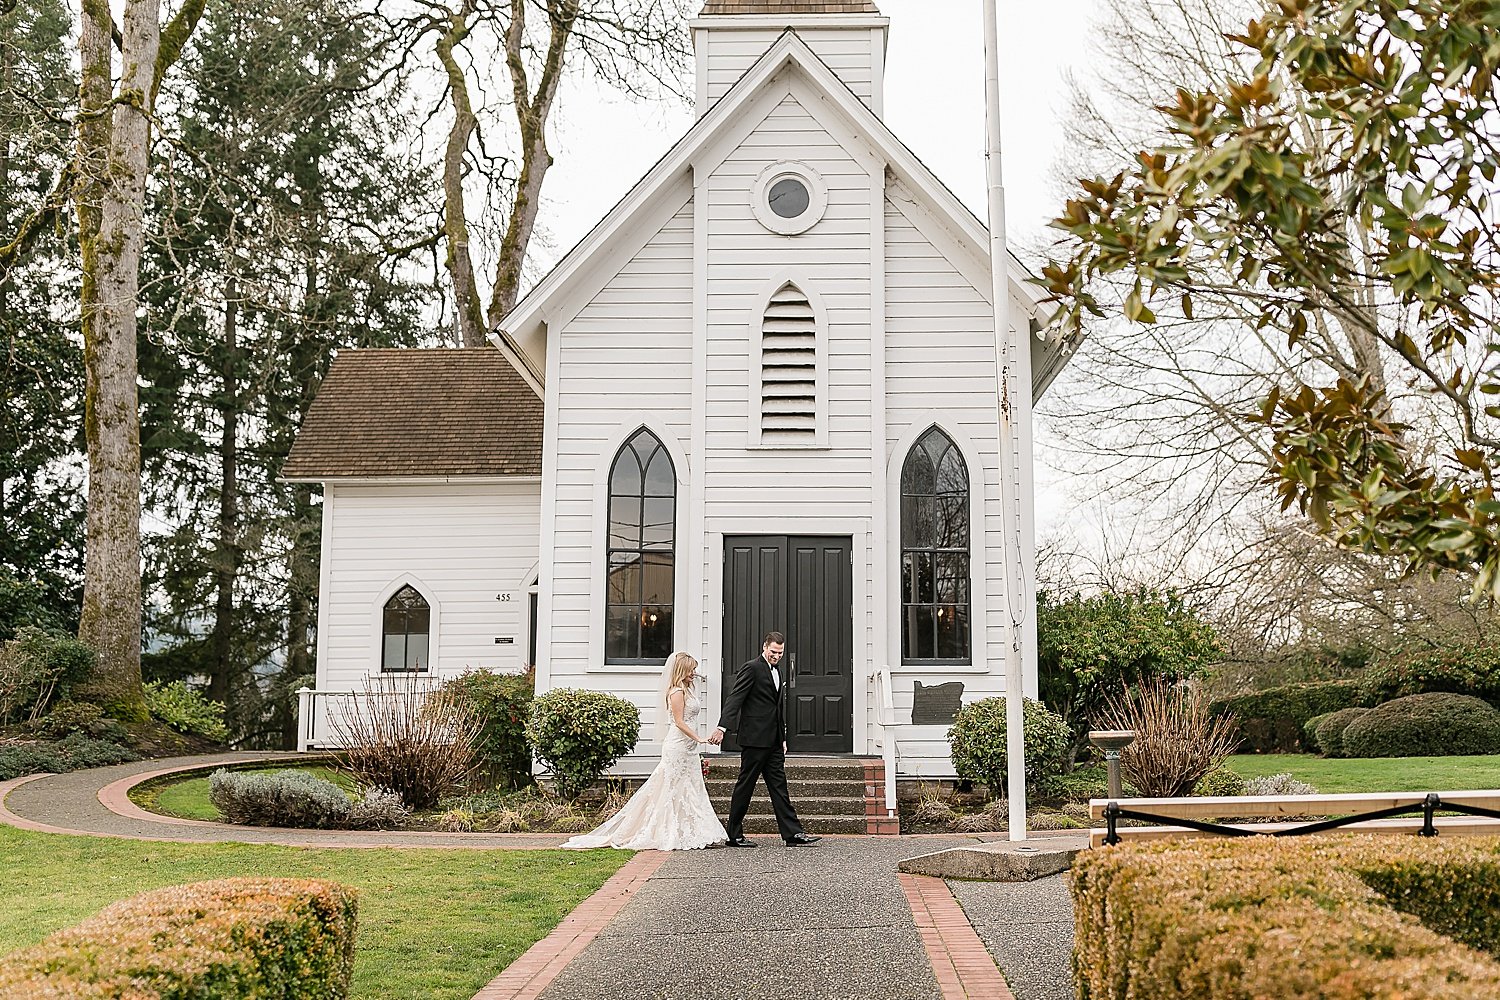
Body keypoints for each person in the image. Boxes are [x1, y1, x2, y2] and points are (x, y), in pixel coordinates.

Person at [562, 651, 728, 851]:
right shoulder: (676, 692)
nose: (694, 673)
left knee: (691, 788)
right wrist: (699, 738)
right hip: (677, 747)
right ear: (681, 670)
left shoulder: (689, 690)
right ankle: (664, 830)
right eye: (691, 669)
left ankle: (694, 831)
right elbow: (679, 722)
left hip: (689, 750)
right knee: (670, 788)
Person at [708, 631, 821, 848]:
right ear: (764, 647)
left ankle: (793, 834)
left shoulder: (779, 671)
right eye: (773, 652)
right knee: (745, 786)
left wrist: (783, 738)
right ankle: (734, 835)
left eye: (780, 653)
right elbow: (735, 698)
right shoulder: (751, 668)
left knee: (780, 787)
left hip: (774, 741)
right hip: (754, 740)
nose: (776, 656)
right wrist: (722, 727)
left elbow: (778, 708)